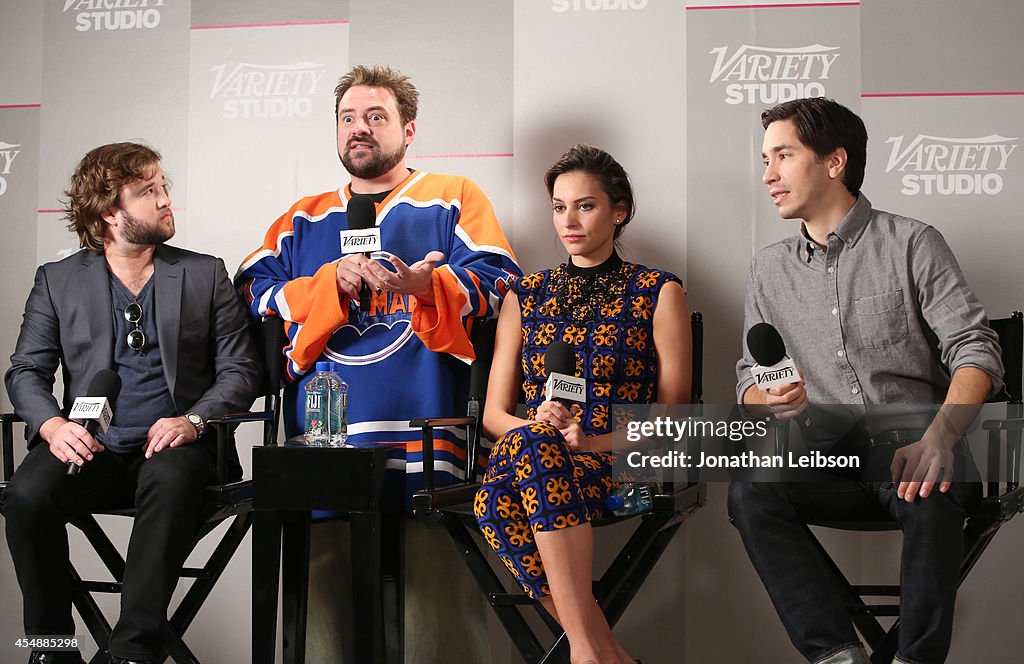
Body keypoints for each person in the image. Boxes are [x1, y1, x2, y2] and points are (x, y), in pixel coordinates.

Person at [235, 64, 520, 663]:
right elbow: (252, 292)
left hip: (427, 439)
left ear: (408, 128)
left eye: (375, 116)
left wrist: (430, 286)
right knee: (324, 628)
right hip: (326, 439)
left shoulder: (453, 197)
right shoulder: (301, 218)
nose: (359, 129)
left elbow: (501, 282)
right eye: (348, 118)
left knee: (436, 626)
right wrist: (326, 286)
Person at [730, 98, 1004, 664]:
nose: (768, 175)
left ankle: (912, 659)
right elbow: (746, 379)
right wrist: (769, 397)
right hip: (828, 457)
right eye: (765, 159)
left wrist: (940, 440)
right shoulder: (767, 269)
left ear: (834, 162)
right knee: (751, 491)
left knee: (935, 491)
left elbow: (976, 349)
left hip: (921, 448)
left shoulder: (912, 243)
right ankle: (836, 654)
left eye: (783, 155)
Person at [1, 142, 260, 664]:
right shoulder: (58, 281)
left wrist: (193, 420)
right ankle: (50, 649)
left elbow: (241, 370)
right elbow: (27, 370)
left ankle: (132, 652)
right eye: (149, 191)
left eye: (164, 186)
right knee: (25, 497)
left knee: (169, 478)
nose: (167, 200)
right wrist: (52, 426)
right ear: (109, 212)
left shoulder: (204, 274)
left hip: (177, 452)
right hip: (89, 448)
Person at [475, 144, 692, 664]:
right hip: (533, 453)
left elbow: (675, 417)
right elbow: (492, 417)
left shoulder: (658, 291)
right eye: (558, 206)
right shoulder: (523, 295)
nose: (568, 220)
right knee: (529, 441)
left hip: (619, 466)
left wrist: (591, 439)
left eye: (585, 205)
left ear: (619, 211)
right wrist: (537, 424)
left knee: (491, 503)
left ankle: (594, 654)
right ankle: (598, 654)